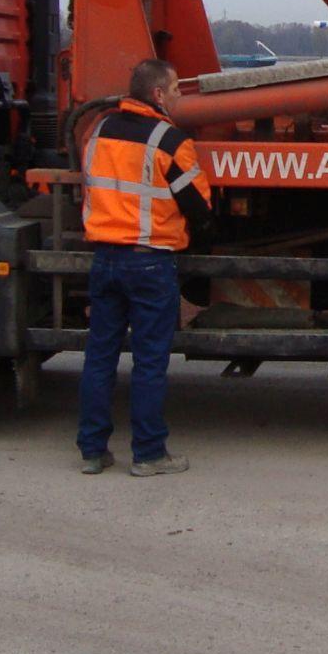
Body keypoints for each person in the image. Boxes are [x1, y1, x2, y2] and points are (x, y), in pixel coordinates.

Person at [75, 58, 212, 476]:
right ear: (156, 94)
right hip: (151, 261)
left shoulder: (97, 131)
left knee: (100, 355)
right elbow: (200, 206)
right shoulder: (169, 140)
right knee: (150, 361)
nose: (178, 96)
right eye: (174, 89)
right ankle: (149, 454)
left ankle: (93, 451)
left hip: (105, 258)